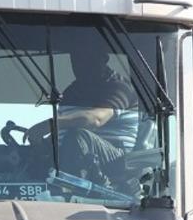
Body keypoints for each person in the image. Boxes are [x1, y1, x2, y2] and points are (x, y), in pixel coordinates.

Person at [26, 44, 139, 188]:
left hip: (114, 161)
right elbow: (62, 134)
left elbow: (95, 119)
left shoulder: (119, 87)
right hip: (72, 154)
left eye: (87, 59)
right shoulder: (72, 92)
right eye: (76, 60)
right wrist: (39, 142)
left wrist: (50, 124)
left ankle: (69, 189)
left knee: (79, 137)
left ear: (104, 58)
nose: (80, 65)